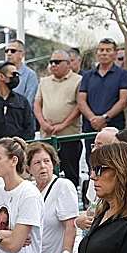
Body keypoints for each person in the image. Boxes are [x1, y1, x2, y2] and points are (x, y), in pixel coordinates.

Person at [25, 142, 77, 253]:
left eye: (46, 161)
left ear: (53, 164)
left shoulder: (63, 186)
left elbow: (70, 225)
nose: (43, 166)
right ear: (28, 168)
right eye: (37, 163)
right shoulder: (28, 189)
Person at [78, 38, 127, 164]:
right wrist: (93, 119)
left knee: (114, 161)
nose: (104, 53)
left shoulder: (123, 74)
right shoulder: (87, 75)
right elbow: (81, 101)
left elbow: (123, 101)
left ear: (115, 53)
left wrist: (104, 118)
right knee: (91, 161)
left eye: (108, 50)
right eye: (101, 50)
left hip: (113, 125)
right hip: (90, 128)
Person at [35, 49, 83, 186]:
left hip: (69, 136)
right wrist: (43, 123)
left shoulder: (78, 80)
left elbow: (79, 105)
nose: (53, 65)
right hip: (47, 136)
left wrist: (62, 125)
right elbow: (37, 104)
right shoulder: (44, 82)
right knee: (47, 172)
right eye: (51, 62)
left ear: (68, 63)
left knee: (71, 172)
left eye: (57, 62)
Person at [0, 61, 35, 144]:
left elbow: (29, 127)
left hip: (19, 150)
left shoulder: (22, 101)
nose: (16, 77)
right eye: (13, 74)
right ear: (1, 76)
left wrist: (20, 145)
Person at [5, 39, 39, 107]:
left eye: (13, 51)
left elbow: (29, 102)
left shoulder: (30, 75)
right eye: (7, 51)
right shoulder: (1, 74)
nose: (9, 53)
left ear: (22, 55)